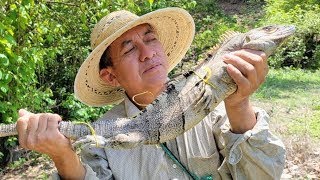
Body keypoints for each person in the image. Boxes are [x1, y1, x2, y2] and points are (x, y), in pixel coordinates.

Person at [16, 7, 285, 179]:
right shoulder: (100, 135)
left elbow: (265, 176)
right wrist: (63, 156)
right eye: (129, 49)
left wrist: (238, 105)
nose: (148, 53)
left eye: (150, 38)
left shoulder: (213, 107)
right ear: (110, 76)